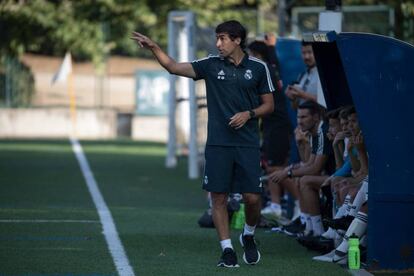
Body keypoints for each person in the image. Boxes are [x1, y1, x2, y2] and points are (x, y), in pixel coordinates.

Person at [132, 20, 274, 268]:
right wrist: (154, 47)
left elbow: (269, 106)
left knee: (252, 198)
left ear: (237, 40)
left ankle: (248, 235)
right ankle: (227, 249)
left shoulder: (259, 68)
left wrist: (248, 114)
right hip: (218, 144)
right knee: (218, 198)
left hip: (248, 144)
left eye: (223, 38)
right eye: (217, 38)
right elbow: (173, 67)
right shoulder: (210, 64)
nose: (218, 44)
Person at [246, 40, 292, 225]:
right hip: (271, 125)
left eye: (250, 54)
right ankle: (276, 204)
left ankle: (299, 205)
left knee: (276, 168)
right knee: (272, 166)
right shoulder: (269, 68)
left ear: (257, 55)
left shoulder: (263, 70)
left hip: (277, 125)